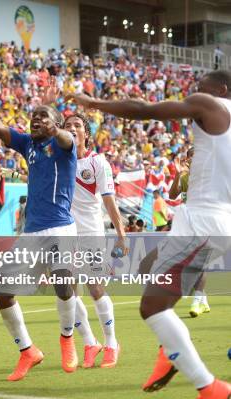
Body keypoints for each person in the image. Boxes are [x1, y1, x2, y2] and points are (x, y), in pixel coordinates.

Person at [68, 69, 231, 398]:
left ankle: (208, 386)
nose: (193, 94)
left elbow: (144, 109)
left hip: (203, 222)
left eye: (199, 88)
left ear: (221, 89)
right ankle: (170, 349)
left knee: (152, 307)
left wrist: (93, 102)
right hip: (207, 219)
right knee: (147, 268)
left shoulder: (210, 104)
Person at [0, 77, 79, 381]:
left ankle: (67, 339)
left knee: (64, 285)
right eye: (34, 115)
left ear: (55, 123)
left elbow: (68, 139)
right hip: (31, 233)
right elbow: (0, 129)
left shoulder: (63, 145)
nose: (36, 119)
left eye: (44, 116)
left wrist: (59, 129)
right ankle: (27, 350)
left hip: (60, 229)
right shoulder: (28, 144)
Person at [64, 113, 128, 369]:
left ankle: (111, 342)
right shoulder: (59, 160)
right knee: (68, 291)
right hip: (64, 232)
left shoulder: (97, 162)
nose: (72, 128)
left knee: (95, 288)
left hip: (91, 232)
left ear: (86, 134)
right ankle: (90, 342)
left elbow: (109, 201)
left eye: (77, 125)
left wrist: (121, 234)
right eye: (67, 126)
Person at [168, 147, 210, 318]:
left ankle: (196, 302)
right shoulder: (185, 177)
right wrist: (178, 174)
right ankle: (203, 300)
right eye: (191, 157)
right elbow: (172, 195)